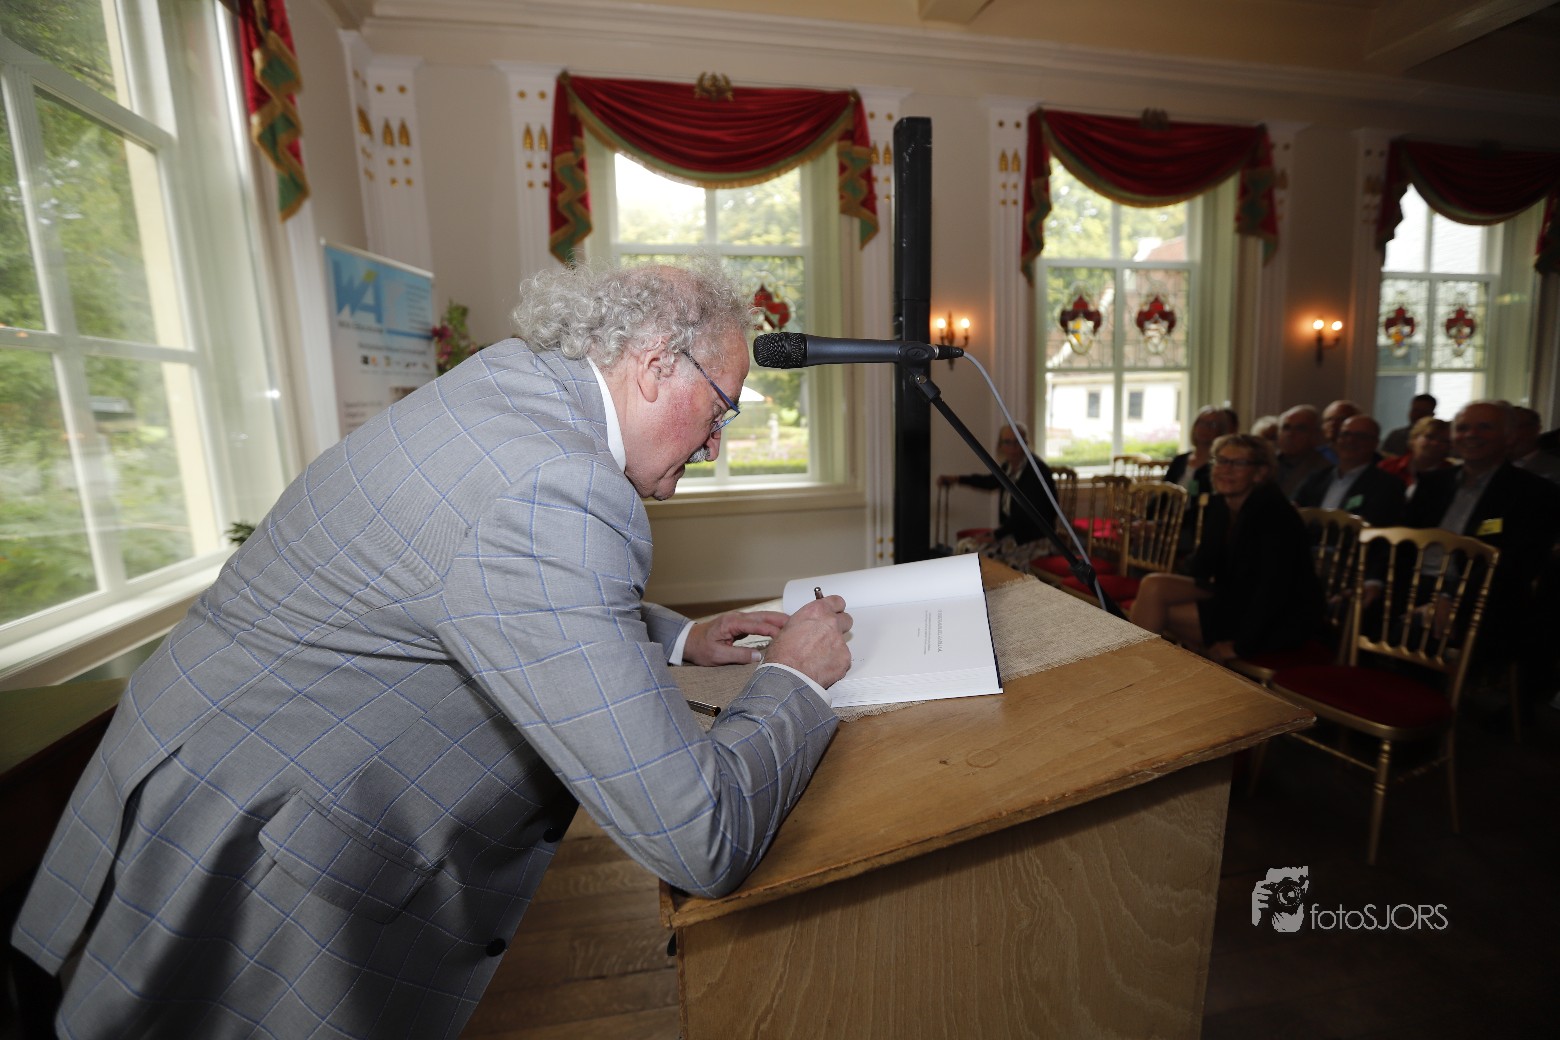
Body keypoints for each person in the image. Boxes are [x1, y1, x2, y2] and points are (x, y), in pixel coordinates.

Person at [11, 260, 855, 1039]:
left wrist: (679, 637)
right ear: (655, 364)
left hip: (205, 758)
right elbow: (699, 836)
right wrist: (794, 678)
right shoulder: (551, 487)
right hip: (251, 838)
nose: (715, 444)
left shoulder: (514, 383)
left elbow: (476, 579)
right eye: (721, 408)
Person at [1129, 433, 1323, 664]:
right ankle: (1151, 669)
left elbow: (1274, 590)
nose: (1225, 470)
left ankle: (1137, 670)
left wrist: (1241, 646)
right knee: (1153, 585)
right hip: (1236, 595)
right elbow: (1203, 568)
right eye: (1221, 460)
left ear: (1260, 473)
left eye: (1238, 463)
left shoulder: (1274, 514)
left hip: (1278, 618)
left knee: (1153, 611)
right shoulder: (1221, 504)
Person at [938, 422, 1059, 569]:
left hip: (1035, 539)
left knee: (977, 556)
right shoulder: (1009, 467)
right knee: (964, 547)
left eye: (1018, 442)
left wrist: (995, 535)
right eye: (1007, 442)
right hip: (1015, 533)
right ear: (1001, 446)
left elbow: (1024, 514)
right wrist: (957, 479)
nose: (1013, 448)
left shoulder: (1036, 471)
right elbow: (990, 481)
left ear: (1026, 444)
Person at [1294, 414, 1405, 527]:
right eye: (1345, 434)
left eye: (1360, 436)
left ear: (1375, 443)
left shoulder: (1387, 485)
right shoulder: (1316, 479)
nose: (1350, 440)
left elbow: (1374, 524)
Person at [1377, 416, 1453, 489]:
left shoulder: (1452, 475)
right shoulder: (1388, 467)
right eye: (1429, 437)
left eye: (1443, 441)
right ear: (1413, 439)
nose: (1435, 443)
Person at [1165, 405, 1230, 490]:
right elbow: (1163, 490)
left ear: (1221, 430)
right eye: (1202, 423)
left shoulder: (1220, 465)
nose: (1205, 428)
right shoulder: (1179, 460)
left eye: (1212, 424)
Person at [1273, 404, 1330, 499]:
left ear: (1316, 434)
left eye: (1300, 428)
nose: (1290, 434)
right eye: (1286, 427)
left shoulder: (1324, 470)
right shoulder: (1265, 463)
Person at [1511, 406, 1560, 485]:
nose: (1509, 434)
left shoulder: (1555, 469)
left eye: (1516, 427)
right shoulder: (1493, 463)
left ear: (1536, 429)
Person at [1380, 392, 1436, 457]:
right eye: (1415, 410)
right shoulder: (1396, 437)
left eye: (1423, 412)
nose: (1418, 415)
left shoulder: (1437, 441)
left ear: (1432, 415)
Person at [1318, 399, 1361, 464]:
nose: (1333, 424)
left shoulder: (1367, 456)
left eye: (1340, 419)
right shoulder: (1314, 456)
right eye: (1329, 419)